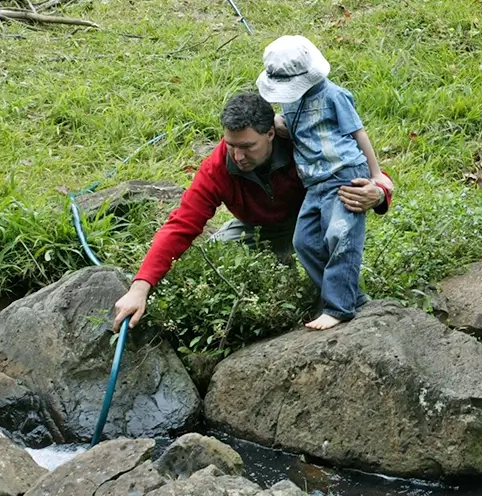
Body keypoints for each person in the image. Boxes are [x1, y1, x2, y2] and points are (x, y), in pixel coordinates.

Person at [111, 91, 392, 331]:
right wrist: (140, 287)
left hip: (310, 222)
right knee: (213, 258)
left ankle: (341, 300)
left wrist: (378, 194)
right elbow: (181, 224)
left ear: (271, 133)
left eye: (248, 147)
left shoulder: (304, 145)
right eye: (231, 146)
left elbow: (360, 171)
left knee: (329, 236)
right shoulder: (217, 168)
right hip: (256, 230)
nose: (238, 156)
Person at [257, 35, 384, 331]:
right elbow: (299, 130)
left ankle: (339, 307)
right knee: (304, 242)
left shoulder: (334, 95)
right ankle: (348, 295)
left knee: (340, 237)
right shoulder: (290, 103)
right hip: (313, 183)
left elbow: (359, 133)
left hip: (344, 176)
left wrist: (376, 176)